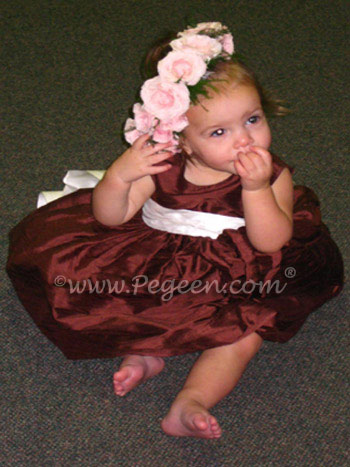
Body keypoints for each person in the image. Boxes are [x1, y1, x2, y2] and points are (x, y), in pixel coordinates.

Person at [7, 22, 343, 439]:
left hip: (243, 271)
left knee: (246, 331)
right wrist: (118, 177)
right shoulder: (164, 163)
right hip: (159, 260)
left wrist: (255, 189)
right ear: (181, 141)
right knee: (132, 298)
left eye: (252, 119)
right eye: (219, 132)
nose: (244, 140)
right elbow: (110, 217)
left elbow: (272, 241)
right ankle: (143, 355)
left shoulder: (272, 175)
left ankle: (193, 399)